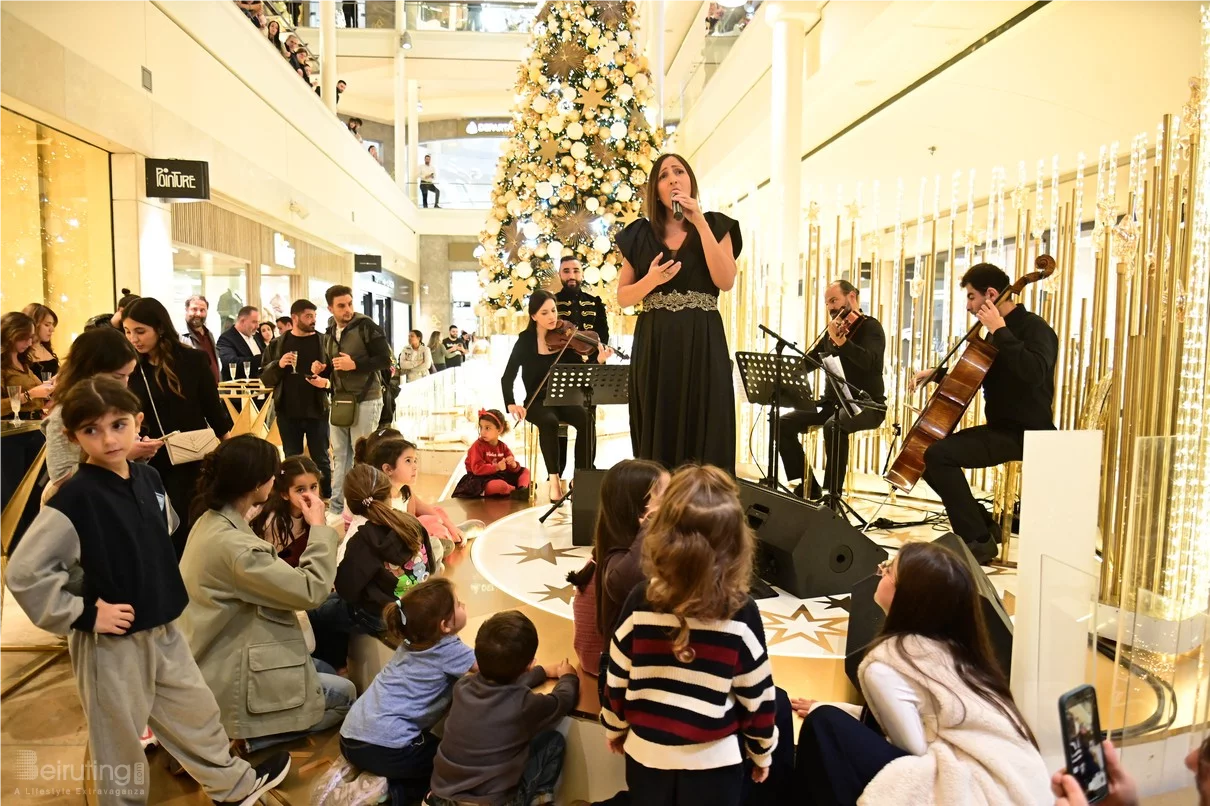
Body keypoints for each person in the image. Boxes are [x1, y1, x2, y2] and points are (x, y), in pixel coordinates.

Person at [8, 378, 293, 806]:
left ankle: (232, 788)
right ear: (72, 436)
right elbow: (26, 571)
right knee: (118, 740)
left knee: (195, 711)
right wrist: (84, 613)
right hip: (111, 642)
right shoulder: (76, 497)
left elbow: (164, 527)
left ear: (137, 422)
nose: (108, 439)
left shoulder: (148, 478)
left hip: (163, 623)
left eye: (118, 425)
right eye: (91, 430)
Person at [792, 541, 1050, 804]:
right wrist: (843, 711)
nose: (880, 571)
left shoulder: (884, 668)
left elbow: (912, 751)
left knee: (823, 724)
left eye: (889, 569)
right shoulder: (956, 645)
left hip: (966, 790)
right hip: (1015, 783)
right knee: (829, 716)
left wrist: (833, 715)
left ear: (905, 596)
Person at [601, 466, 777, 805]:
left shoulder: (639, 600)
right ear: (736, 544)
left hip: (646, 760)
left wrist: (614, 727)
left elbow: (617, 676)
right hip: (715, 767)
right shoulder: (741, 611)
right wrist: (762, 752)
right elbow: (758, 697)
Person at [178, 436, 356, 752]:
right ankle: (247, 740)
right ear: (259, 483)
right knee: (345, 695)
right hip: (228, 668)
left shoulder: (211, 520)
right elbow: (310, 590)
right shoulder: (237, 547)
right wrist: (319, 527)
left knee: (324, 670)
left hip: (215, 651)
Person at [910, 262, 1059, 563]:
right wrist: (938, 374)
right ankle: (984, 526)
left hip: (1028, 433)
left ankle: (977, 540)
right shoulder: (993, 334)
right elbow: (978, 375)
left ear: (991, 294)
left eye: (971, 297)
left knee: (938, 456)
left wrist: (1000, 330)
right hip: (1000, 429)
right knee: (925, 454)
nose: (968, 306)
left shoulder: (1035, 328)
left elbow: (1035, 372)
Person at [616, 153, 741, 474]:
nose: (672, 178)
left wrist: (699, 221)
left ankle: (705, 500)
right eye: (663, 175)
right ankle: (660, 497)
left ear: (690, 181)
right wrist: (651, 280)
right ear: (655, 190)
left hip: (703, 341)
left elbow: (725, 280)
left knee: (706, 419)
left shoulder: (716, 225)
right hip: (656, 343)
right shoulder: (640, 234)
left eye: (679, 171)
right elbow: (623, 297)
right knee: (659, 422)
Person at [316, 578, 476, 805]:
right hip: (385, 748)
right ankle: (389, 792)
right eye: (458, 604)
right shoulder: (449, 649)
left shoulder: (411, 643)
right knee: (446, 760)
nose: (464, 605)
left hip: (350, 737)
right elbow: (492, 665)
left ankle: (369, 775)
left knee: (426, 746)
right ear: (445, 626)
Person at [428, 610, 579, 806]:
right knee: (552, 742)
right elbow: (561, 701)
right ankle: (539, 799)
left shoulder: (462, 687)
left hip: (442, 796)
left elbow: (500, 689)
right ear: (529, 665)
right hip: (492, 802)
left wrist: (540, 672)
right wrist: (568, 677)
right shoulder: (523, 705)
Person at [124, 297, 232, 556]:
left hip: (192, 455)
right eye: (127, 332)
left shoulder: (193, 360)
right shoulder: (131, 367)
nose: (134, 339)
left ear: (160, 328)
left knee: (190, 522)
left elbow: (213, 409)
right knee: (158, 524)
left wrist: (229, 449)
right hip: (150, 457)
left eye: (140, 331)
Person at [779, 279, 887, 502]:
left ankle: (831, 497)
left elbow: (870, 363)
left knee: (834, 426)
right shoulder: (833, 331)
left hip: (867, 405)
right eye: (827, 303)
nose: (830, 307)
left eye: (834, 300)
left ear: (852, 297)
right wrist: (785, 374)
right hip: (833, 404)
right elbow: (810, 361)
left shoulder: (871, 328)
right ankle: (808, 484)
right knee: (782, 423)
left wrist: (843, 343)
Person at [502, 290, 612, 501]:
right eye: (545, 313)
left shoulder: (566, 339)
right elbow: (507, 377)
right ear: (534, 316)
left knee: (586, 419)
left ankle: (580, 477)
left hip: (563, 398)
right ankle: (554, 481)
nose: (552, 317)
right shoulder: (525, 341)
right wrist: (511, 403)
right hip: (536, 402)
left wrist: (599, 360)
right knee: (549, 421)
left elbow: (582, 370)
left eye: (553, 310)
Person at [564, 459, 668, 676]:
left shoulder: (623, 549)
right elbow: (624, 583)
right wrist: (652, 525)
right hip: (611, 668)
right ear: (641, 512)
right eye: (666, 500)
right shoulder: (619, 559)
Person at [40, 327, 160, 487]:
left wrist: (139, 453)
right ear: (90, 372)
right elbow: (61, 479)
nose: (124, 383)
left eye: (128, 375)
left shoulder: (116, 404)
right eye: (117, 376)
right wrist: (123, 455)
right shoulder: (64, 413)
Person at [330, 464, 435, 633]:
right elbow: (431, 566)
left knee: (320, 613)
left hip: (382, 619)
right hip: (418, 605)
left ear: (350, 504)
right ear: (389, 493)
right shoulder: (411, 522)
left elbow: (346, 590)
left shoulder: (360, 540)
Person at [322, 284, 393, 516]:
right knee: (340, 454)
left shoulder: (366, 326)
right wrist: (322, 370)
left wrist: (355, 364)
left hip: (367, 398)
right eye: (341, 305)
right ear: (330, 308)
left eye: (350, 303)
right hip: (341, 400)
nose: (347, 309)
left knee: (362, 455)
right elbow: (333, 365)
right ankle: (337, 508)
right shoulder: (330, 330)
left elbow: (385, 359)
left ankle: (365, 506)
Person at [260, 298, 334, 499]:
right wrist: (279, 364)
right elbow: (265, 379)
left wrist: (324, 372)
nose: (313, 320)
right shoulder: (277, 344)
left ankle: (325, 498)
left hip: (317, 409)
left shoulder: (324, 342)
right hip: (287, 410)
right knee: (291, 458)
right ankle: (293, 498)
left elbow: (335, 376)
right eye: (308, 316)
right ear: (294, 318)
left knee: (321, 458)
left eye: (314, 316)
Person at [363, 434, 471, 557]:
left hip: (407, 536)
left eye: (415, 461)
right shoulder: (380, 498)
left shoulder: (405, 492)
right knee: (427, 524)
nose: (415, 466)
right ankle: (434, 547)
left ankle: (445, 538)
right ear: (388, 469)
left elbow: (418, 516)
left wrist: (451, 527)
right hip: (391, 545)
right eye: (408, 461)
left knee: (436, 514)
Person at [250, 456, 325, 568]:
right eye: (300, 490)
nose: (310, 495)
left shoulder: (317, 510)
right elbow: (269, 564)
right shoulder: (272, 523)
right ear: (285, 494)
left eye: (313, 487)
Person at [453, 408, 531, 498]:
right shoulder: (477, 446)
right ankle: (515, 490)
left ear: (499, 429)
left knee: (525, 471)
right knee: (500, 486)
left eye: (487, 428)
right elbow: (477, 469)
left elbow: (512, 469)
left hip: (499, 476)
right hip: (480, 479)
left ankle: (522, 488)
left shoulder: (503, 447)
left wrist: (513, 465)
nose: (482, 432)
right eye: (481, 427)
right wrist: (496, 467)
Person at [0, 311, 54, 418]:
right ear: (11, 335)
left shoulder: (23, 362)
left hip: (33, 423)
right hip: (13, 425)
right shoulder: (2, 366)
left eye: (31, 338)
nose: (29, 343)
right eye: (25, 338)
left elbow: (35, 400)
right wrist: (29, 395)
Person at [554, 255, 610, 346]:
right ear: (559, 274)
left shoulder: (595, 302)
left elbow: (603, 337)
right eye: (566, 271)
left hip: (591, 354)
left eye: (576, 271)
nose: (571, 276)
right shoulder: (551, 302)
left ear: (582, 274)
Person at [217, 305, 266, 381]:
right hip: (239, 386)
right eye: (254, 322)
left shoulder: (257, 336)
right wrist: (262, 359)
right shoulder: (226, 339)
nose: (257, 326)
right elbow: (231, 363)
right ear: (242, 321)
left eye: (258, 322)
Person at [183, 294, 222, 383]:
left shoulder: (209, 335)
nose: (198, 314)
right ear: (186, 310)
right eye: (194, 309)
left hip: (214, 389)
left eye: (202, 310)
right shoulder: (180, 337)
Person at [22, 302, 59, 378]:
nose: (52, 330)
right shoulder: (21, 351)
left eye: (52, 325)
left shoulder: (46, 348)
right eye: (47, 325)